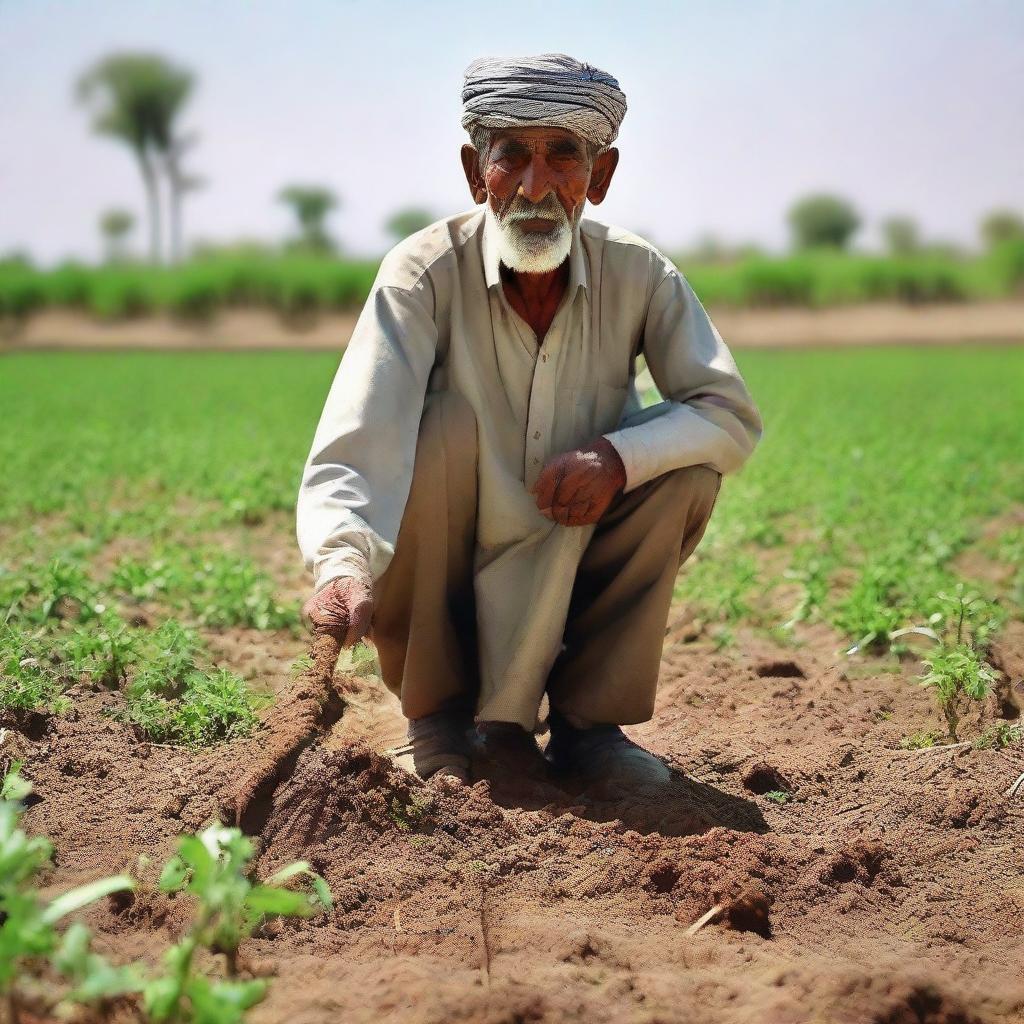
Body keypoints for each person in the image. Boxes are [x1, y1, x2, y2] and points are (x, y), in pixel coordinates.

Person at [297, 53, 762, 788]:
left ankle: (589, 729)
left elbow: (727, 416)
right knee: (439, 426)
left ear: (600, 177)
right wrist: (343, 564)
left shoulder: (641, 276)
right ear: (474, 169)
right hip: (446, 563)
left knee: (685, 470)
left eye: (563, 157)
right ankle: (440, 722)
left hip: (572, 546)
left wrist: (619, 458)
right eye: (511, 155)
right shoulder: (422, 274)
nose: (535, 187)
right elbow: (362, 439)